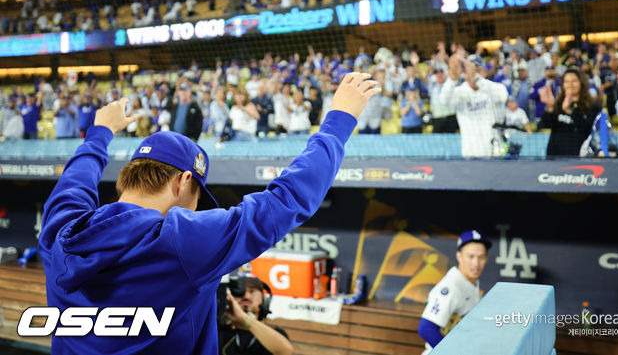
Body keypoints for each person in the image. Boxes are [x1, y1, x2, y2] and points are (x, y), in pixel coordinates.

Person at [38, 72, 380, 354]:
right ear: (184, 180)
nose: (197, 207)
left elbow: (75, 181)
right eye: (198, 195)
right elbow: (287, 199)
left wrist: (99, 134)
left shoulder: (59, 231)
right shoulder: (180, 240)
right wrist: (339, 120)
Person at [418, 230, 491, 353]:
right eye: (471, 256)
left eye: (481, 257)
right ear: (459, 256)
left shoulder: (471, 282)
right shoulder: (451, 286)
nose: (476, 263)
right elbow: (426, 328)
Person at [440, 53, 508, 157]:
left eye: (477, 70)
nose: (472, 73)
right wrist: (452, 78)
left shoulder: (494, 88)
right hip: (471, 154)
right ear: (464, 74)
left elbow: (503, 96)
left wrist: (476, 79)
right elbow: (444, 100)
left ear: (485, 72)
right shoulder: (460, 92)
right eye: (469, 70)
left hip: (494, 154)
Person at [219, 276, 293, 355]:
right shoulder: (218, 333)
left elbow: (286, 351)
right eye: (239, 292)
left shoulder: (276, 334)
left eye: (252, 291)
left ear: (264, 300)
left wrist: (245, 319)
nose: (246, 296)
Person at [538, 69, 602, 157]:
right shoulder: (558, 104)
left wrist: (569, 111)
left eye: (574, 81)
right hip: (555, 158)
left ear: (581, 83)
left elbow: (587, 130)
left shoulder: (593, 106)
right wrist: (550, 107)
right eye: (566, 81)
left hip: (580, 158)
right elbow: (544, 125)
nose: (570, 85)